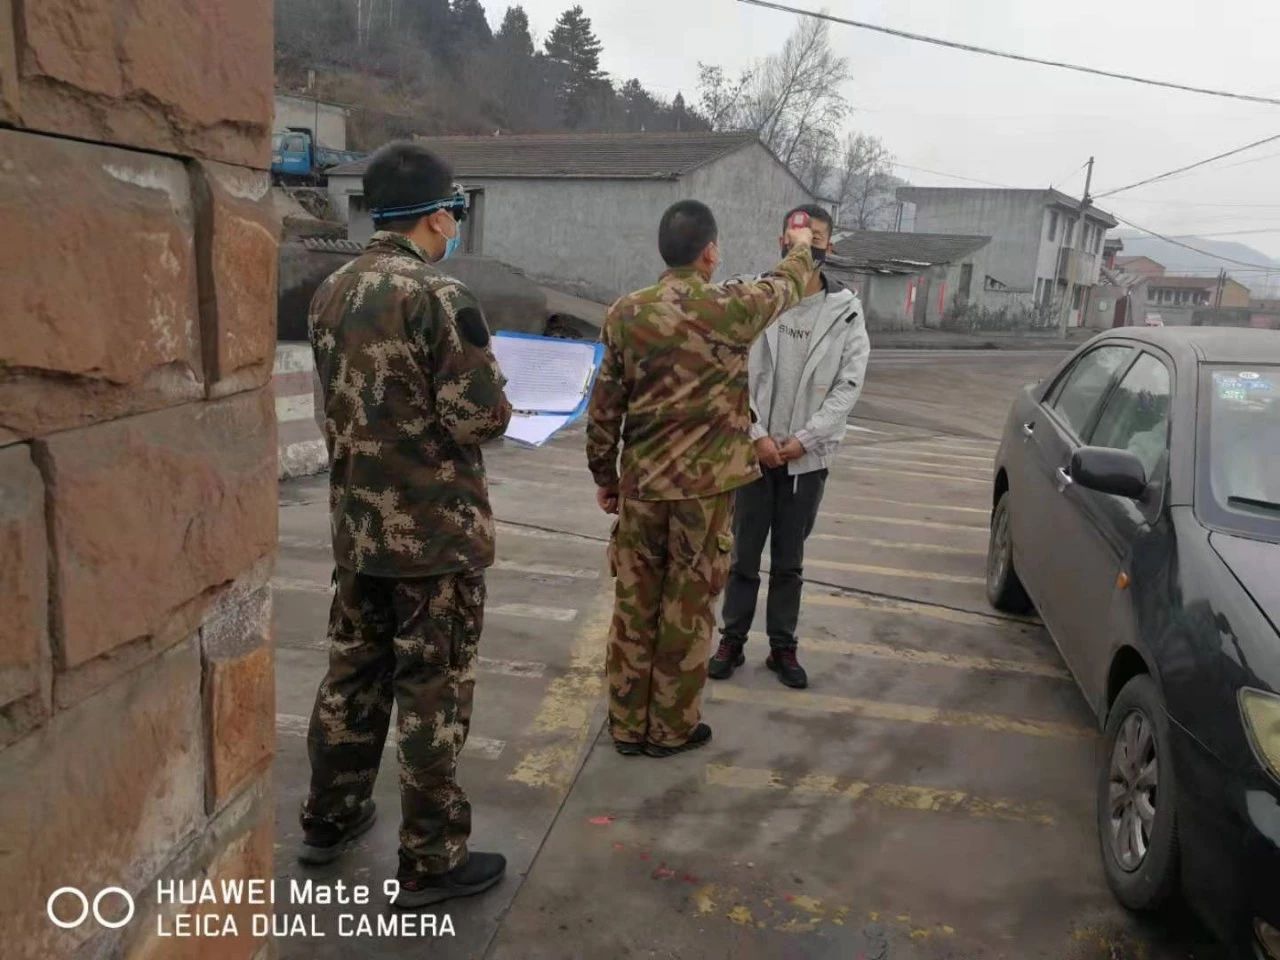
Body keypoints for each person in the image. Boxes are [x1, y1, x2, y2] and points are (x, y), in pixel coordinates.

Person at [300, 141, 513, 909]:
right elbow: (479, 418)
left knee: (353, 675)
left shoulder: (330, 291)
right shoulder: (439, 295)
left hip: (359, 530)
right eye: (454, 212)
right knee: (432, 691)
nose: (455, 224)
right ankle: (430, 859)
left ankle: (329, 818)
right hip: (433, 540)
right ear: (439, 216)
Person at [586, 199, 816, 758]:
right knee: (687, 611)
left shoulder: (626, 313)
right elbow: (786, 285)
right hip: (704, 496)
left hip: (642, 488)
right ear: (710, 252)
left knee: (634, 606)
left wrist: (605, 475)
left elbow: (604, 407)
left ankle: (626, 725)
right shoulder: (731, 308)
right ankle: (670, 729)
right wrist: (802, 246)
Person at [710, 204, 869, 689]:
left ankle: (783, 646)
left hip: (806, 461)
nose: (806, 243)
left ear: (829, 246)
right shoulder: (756, 299)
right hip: (752, 455)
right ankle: (732, 640)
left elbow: (848, 385)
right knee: (742, 557)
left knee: (789, 563)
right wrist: (756, 435)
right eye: (798, 235)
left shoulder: (846, 311)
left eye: (816, 237)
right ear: (782, 240)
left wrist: (806, 439)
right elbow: (732, 372)